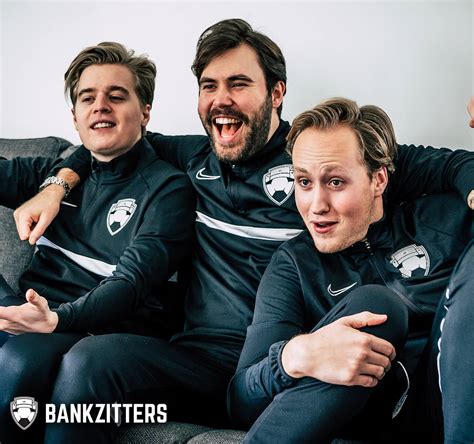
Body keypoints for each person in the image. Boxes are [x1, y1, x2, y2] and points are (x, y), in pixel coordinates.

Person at [10, 19, 474, 442]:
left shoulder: (318, 156)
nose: (221, 99)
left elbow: (453, 165)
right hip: (198, 364)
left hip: (295, 363)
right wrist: (57, 183)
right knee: (88, 365)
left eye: (239, 83)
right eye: (209, 86)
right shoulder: (193, 157)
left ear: (276, 93)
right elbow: (109, 137)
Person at [227, 97, 473, 443]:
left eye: (335, 182)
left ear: (378, 180)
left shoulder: (441, 219)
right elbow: (240, 402)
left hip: (448, 394)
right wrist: (294, 356)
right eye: (304, 182)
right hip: (368, 415)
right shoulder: (294, 265)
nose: (316, 206)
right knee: (377, 308)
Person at [0, 42, 195, 442]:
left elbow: (131, 284)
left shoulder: (168, 189)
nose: (100, 106)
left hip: (93, 332)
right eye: (88, 98)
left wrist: (56, 320)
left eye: (116, 96)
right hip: (27, 311)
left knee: (21, 357)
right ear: (75, 117)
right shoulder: (54, 174)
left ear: (145, 112)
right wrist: (54, 186)